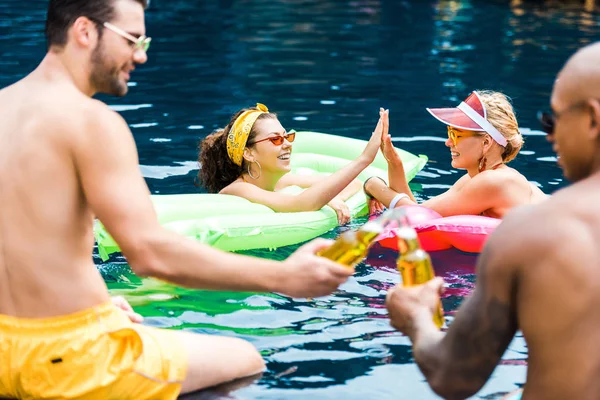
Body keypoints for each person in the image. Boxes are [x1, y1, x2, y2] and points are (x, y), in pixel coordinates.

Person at [0, 0, 356, 398]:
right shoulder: (92, 121)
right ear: (84, 31)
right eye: (133, 39)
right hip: (66, 358)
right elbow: (151, 253)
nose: (141, 55)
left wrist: (100, 303)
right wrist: (284, 277)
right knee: (244, 359)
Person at [384, 42, 600, 400]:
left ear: (593, 120)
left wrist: (418, 317)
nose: (550, 136)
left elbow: (453, 375)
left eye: (554, 120)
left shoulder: (528, 233)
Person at [364, 91, 547, 218]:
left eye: (456, 135)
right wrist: (393, 162)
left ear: (486, 143)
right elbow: (419, 213)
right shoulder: (474, 179)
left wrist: (372, 185)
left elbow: (417, 216)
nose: (448, 142)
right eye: (449, 133)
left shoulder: (494, 182)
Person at [197, 104, 387, 225]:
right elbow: (300, 204)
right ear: (249, 153)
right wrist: (364, 159)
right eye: (276, 139)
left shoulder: (282, 181)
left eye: (287, 136)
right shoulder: (239, 190)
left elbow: (352, 184)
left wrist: (331, 198)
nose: (287, 143)